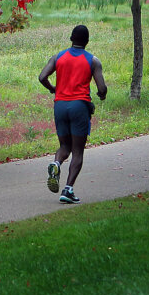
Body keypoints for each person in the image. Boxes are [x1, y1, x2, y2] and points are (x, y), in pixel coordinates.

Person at [38, 24, 107, 204]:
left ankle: (56, 164)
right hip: (79, 107)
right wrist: (102, 95)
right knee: (77, 151)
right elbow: (102, 87)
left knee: (64, 147)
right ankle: (68, 190)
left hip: (60, 105)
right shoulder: (93, 61)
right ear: (87, 41)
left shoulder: (58, 57)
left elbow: (41, 77)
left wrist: (53, 89)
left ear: (71, 38)